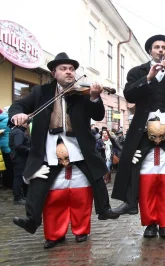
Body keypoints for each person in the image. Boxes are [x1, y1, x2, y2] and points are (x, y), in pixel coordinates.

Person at [9, 52, 119, 235]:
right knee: (39, 180)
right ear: (54, 73)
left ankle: (104, 210)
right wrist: (17, 114)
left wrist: (94, 97)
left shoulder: (82, 93)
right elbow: (18, 106)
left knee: (96, 173)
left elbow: (99, 115)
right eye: (63, 69)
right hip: (50, 145)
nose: (69, 72)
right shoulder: (40, 92)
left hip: (78, 145)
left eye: (71, 69)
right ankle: (31, 220)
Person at [112, 34, 165, 215]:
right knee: (132, 159)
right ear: (150, 51)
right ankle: (130, 202)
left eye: (164, 48)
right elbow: (129, 95)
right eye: (157, 47)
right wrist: (148, 79)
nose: (160, 50)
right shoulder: (137, 72)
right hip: (144, 126)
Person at [42, 140, 93, 248]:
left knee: (81, 202)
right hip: (54, 166)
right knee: (53, 204)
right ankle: (54, 234)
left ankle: (81, 230)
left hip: (79, 167)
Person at [9, 122, 31, 204]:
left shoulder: (16, 131)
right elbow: (18, 146)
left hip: (18, 157)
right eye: (26, 123)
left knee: (19, 176)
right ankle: (18, 198)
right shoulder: (18, 132)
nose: (28, 124)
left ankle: (22, 196)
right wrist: (30, 151)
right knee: (18, 177)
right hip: (20, 157)